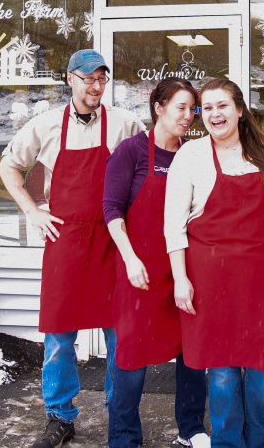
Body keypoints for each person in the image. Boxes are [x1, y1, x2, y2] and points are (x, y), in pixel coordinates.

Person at [0, 49, 145, 448]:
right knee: (59, 335)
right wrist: (32, 211)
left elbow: (144, 173)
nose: (95, 86)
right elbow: (8, 166)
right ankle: (60, 416)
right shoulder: (45, 125)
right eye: (87, 78)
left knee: (118, 333)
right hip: (65, 243)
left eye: (101, 78)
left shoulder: (127, 123)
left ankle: (122, 416)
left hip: (113, 239)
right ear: (70, 79)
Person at [165, 79, 264, 448]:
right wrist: (181, 279)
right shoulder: (191, 156)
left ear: (239, 110)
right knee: (222, 371)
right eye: (206, 108)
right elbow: (173, 227)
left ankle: (260, 441)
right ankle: (227, 443)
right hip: (212, 282)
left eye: (222, 105)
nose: (214, 114)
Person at [103, 78, 210, 448]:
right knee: (130, 357)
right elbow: (112, 210)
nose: (188, 116)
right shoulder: (130, 152)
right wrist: (130, 258)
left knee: (191, 352)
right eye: (180, 108)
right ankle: (124, 437)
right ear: (158, 107)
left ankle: (191, 427)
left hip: (183, 269)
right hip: (141, 269)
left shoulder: (194, 154)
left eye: (192, 109)